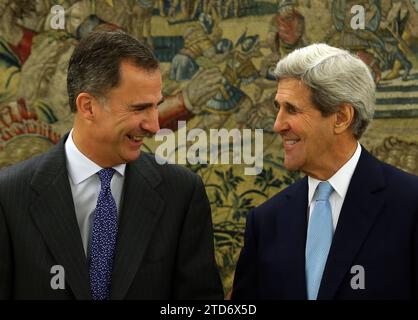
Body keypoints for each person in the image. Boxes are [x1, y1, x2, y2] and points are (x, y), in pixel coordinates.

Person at [0, 30, 223, 300]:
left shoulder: (181, 193)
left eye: (156, 107)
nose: (154, 125)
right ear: (88, 107)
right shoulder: (9, 196)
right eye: (140, 108)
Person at [232, 43, 418, 300]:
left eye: (292, 109)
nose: (277, 125)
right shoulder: (266, 222)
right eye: (278, 108)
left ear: (341, 117)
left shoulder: (409, 205)